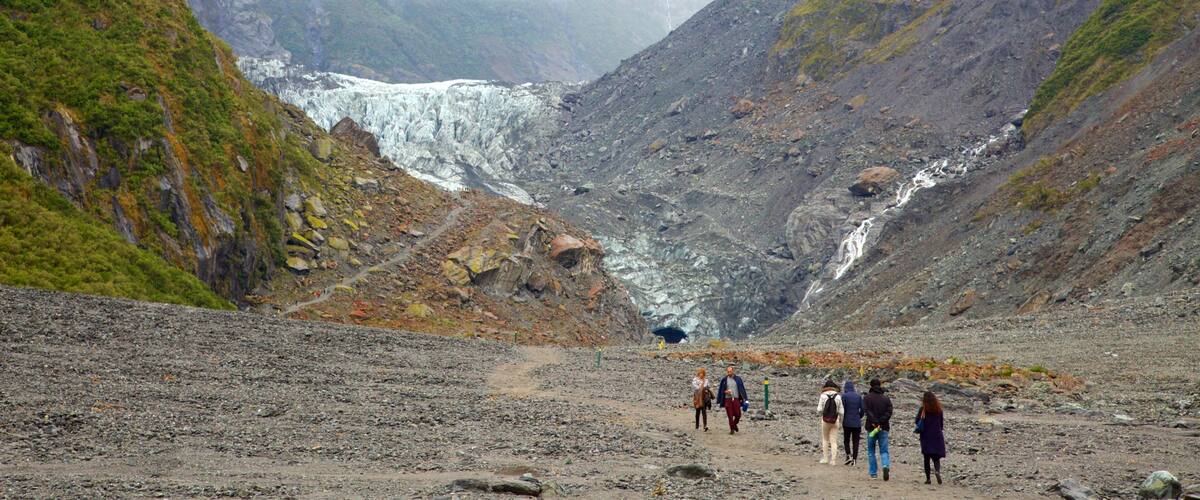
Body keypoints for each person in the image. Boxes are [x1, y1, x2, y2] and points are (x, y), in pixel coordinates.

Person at [864, 378, 893, 480]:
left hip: (871, 427)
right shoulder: (886, 399)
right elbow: (889, 412)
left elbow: (867, 411)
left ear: (871, 386)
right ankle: (885, 465)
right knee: (884, 450)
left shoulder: (867, 398)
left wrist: (874, 422)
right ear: (880, 385)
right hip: (883, 427)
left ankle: (873, 473)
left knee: (871, 451)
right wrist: (881, 421)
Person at [916, 391, 947, 485]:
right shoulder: (938, 409)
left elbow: (917, 420)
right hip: (937, 435)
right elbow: (941, 424)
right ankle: (937, 471)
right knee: (936, 457)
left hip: (926, 435)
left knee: (926, 458)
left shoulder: (923, 409)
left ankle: (928, 479)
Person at [817, 380, 843, 464]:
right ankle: (833, 460)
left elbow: (819, 409)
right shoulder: (838, 396)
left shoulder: (823, 396)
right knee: (834, 441)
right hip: (835, 420)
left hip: (825, 420)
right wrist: (840, 420)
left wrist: (822, 414)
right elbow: (841, 411)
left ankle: (825, 459)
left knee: (825, 439)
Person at [716, 365, 747, 434]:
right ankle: (732, 429)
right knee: (730, 415)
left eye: (730, 371)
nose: (729, 373)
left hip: (736, 399)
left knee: (738, 414)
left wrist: (745, 398)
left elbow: (742, 389)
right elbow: (721, 390)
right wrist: (726, 392)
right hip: (727, 399)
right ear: (726, 372)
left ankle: (734, 424)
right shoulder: (724, 380)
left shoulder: (738, 379)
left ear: (733, 371)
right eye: (728, 372)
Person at [841, 380, 865, 466]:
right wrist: (859, 416)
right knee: (856, 441)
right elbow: (862, 409)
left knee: (846, 440)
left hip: (847, 421)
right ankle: (854, 459)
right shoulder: (858, 396)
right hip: (857, 422)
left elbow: (842, 409)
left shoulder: (844, 396)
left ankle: (848, 455)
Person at [692, 367, 711, 432]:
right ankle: (697, 425)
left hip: (704, 397)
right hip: (697, 397)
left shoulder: (706, 380)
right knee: (697, 411)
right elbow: (695, 387)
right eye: (700, 373)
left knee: (704, 411)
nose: (701, 375)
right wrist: (701, 388)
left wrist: (705, 389)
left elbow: (708, 387)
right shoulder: (695, 379)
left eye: (702, 373)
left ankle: (705, 425)